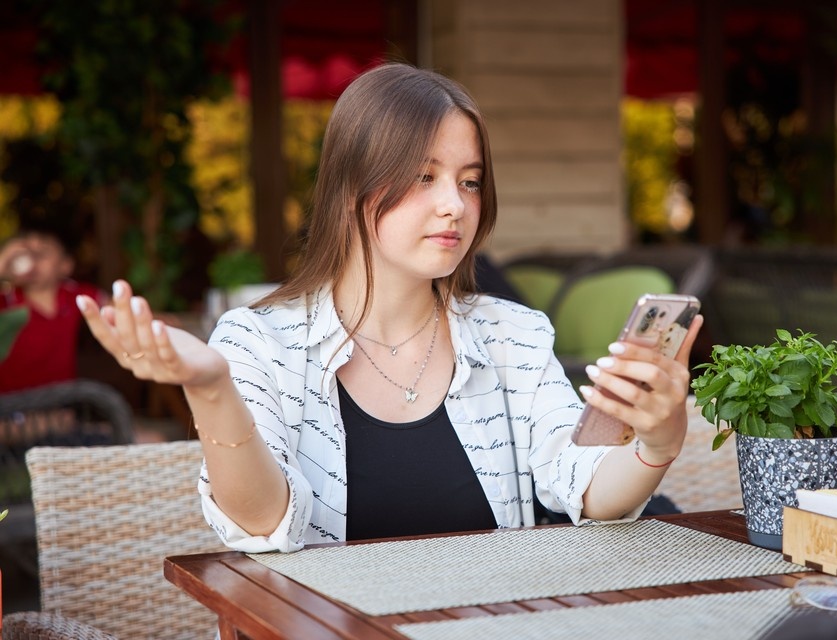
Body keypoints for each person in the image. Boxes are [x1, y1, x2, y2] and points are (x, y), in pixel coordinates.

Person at [76, 63, 703, 551]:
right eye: (424, 177)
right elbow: (263, 526)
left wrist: (657, 440)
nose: (454, 204)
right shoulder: (258, 342)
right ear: (352, 187)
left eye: (470, 180)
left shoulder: (512, 334)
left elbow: (586, 491)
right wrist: (211, 386)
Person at [0, 225, 103, 392]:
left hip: (61, 408)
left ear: (65, 265)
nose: (32, 262)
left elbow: (119, 309)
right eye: (26, 254)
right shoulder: (6, 300)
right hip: (10, 411)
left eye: (42, 253)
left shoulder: (73, 295)